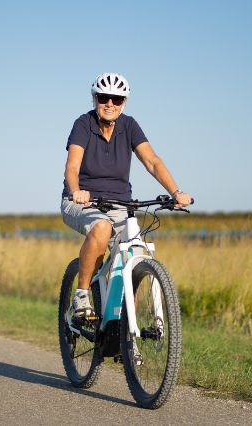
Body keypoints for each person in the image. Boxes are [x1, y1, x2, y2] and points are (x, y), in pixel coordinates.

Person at [61, 72, 192, 319]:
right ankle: (81, 294)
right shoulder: (83, 124)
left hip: (120, 204)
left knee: (136, 251)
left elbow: (152, 161)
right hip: (82, 202)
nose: (110, 103)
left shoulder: (129, 126)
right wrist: (76, 190)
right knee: (101, 228)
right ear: (94, 99)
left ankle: (124, 327)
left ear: (124, 103)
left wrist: (175, 192)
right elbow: (72, 166)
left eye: (117, 99)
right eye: (104, 97)